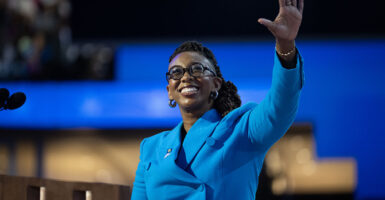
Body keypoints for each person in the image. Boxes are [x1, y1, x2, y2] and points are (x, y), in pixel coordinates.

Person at [131, 0, 304, 199]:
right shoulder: (150, 148)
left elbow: (279, 108)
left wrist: (285, 45)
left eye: (197, 69)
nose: (186, 77)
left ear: (216, 84)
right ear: (169, 90)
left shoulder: (241, 130)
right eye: (176, 72)